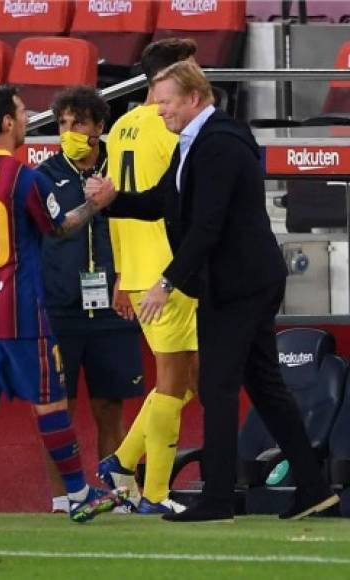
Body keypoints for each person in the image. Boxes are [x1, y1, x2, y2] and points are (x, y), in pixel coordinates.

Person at [86, 59, 339, 522]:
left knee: (218, 385)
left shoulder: (218, 144)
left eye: (166, 102)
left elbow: (206, 226)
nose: (158, 111)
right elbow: (163, 201)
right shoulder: (195, 142)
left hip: (238, 283)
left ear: (194, 98)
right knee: (263, 386)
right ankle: (315, 488)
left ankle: (219, 498)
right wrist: (113, 201)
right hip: (241, 279)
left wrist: (167, 283)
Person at [0, 84, 128, 528]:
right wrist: (95, 204)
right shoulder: (25, 178)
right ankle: (80, 495)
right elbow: (61, 229)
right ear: (6, 122)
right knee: (49, 404)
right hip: (19, 314)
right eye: (23, 114)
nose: (27, 120)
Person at [97, 38, 199, 515]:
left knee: (189, 379)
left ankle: (123, 461)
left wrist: (121, 272)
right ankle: (151, 490)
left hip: (138, 270)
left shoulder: (118, 129)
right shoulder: (171, 126)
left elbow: (112, 204)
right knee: (174, 383)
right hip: (171, 273)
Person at [39, 86, 144, 514]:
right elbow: (49, 231)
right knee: (57, 409)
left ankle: (118, 495)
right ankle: (64, 498)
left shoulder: (121, 170)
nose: (69, 131)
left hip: (112, 307)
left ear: (99, 126)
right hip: (59, 307)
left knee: (109, 406)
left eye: (78, 123)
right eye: (62, 123)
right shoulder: (44, 175)